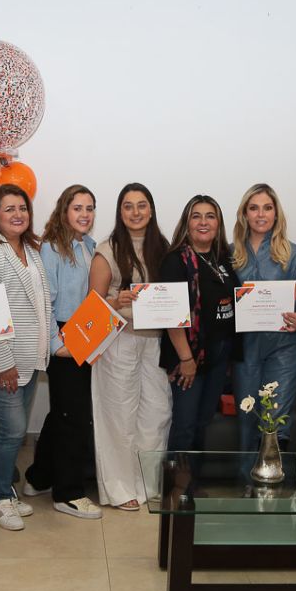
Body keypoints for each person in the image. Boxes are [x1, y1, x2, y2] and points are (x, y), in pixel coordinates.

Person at [0, 185, 52, 530]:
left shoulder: (32, 251)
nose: (18, 214)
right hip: (0, 363)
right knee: (13, 429)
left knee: (13, 432)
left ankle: (4, 490)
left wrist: (53, 345)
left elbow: (43, 305)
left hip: (30, 359)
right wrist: (3, 363)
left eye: (23, 208)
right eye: (9, 209)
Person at [23, 184, 103, 519]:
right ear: (63, 211)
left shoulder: (90, 246)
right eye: (77, 208)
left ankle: (38, 477)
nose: (84, 214)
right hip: (63, 334)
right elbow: (46, 301)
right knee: (74, 417)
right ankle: (68, 493)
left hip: (86, 332)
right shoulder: (52, 248)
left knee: (64, 412)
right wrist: (58, 345)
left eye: (89, 208)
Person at [89, 183, 172, 509]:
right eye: (128, 206)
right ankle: (121, 490)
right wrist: (116, 300)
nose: (135, 212)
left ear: (151, 210)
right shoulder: (107, 250)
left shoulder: (163, 248)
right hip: (118, 341)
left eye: (141, 205)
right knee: (119, 417)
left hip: (155, 342)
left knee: (157, 414)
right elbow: (92, 307)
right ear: (119, 212)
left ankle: (148, 484)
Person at [229, 185, 296, 451]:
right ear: (244, 214)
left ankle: (273, 476)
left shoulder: (292, 253)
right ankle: (247, 475)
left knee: (274, 421)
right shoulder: (230, 254)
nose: (261, 214)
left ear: (276, 213)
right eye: (254, 208)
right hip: (244, 349)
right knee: (247, 418)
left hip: (285, 349)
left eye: (267, 208)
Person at [160, 195, 242, 452]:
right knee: (185, 427)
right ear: (187, 223)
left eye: (210, 216)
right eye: (196, 216)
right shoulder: (175, 261)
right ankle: (177, 479)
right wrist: (186, 359)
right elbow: (172, 315)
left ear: (218, 223)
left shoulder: (224, 257)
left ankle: (192, 476)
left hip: (219, 356)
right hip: (189, 358)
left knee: (202, 423)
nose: (203, 222)